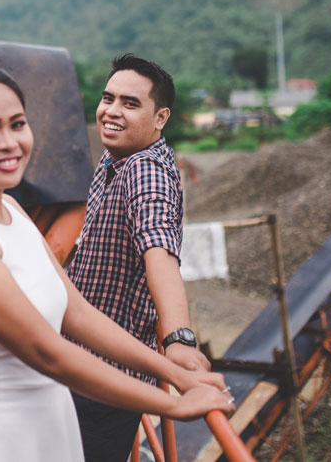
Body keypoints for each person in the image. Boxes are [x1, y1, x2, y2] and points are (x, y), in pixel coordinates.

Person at [0, 61, 232, 461]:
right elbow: (46, 350)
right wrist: (172, 403)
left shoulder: (11, 209)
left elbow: (79, 311)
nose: (9, 142)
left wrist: (174, 367)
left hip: (50, 420)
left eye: (17, 124)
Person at [67, 53, 208, 462]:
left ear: (160, 117)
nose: (112, 112)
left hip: (106, 381)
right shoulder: (114, 158)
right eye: (108, 98)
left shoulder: (145, 170)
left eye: (130, 104)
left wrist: (179, 339)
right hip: (82, 361)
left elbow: (159, 251)